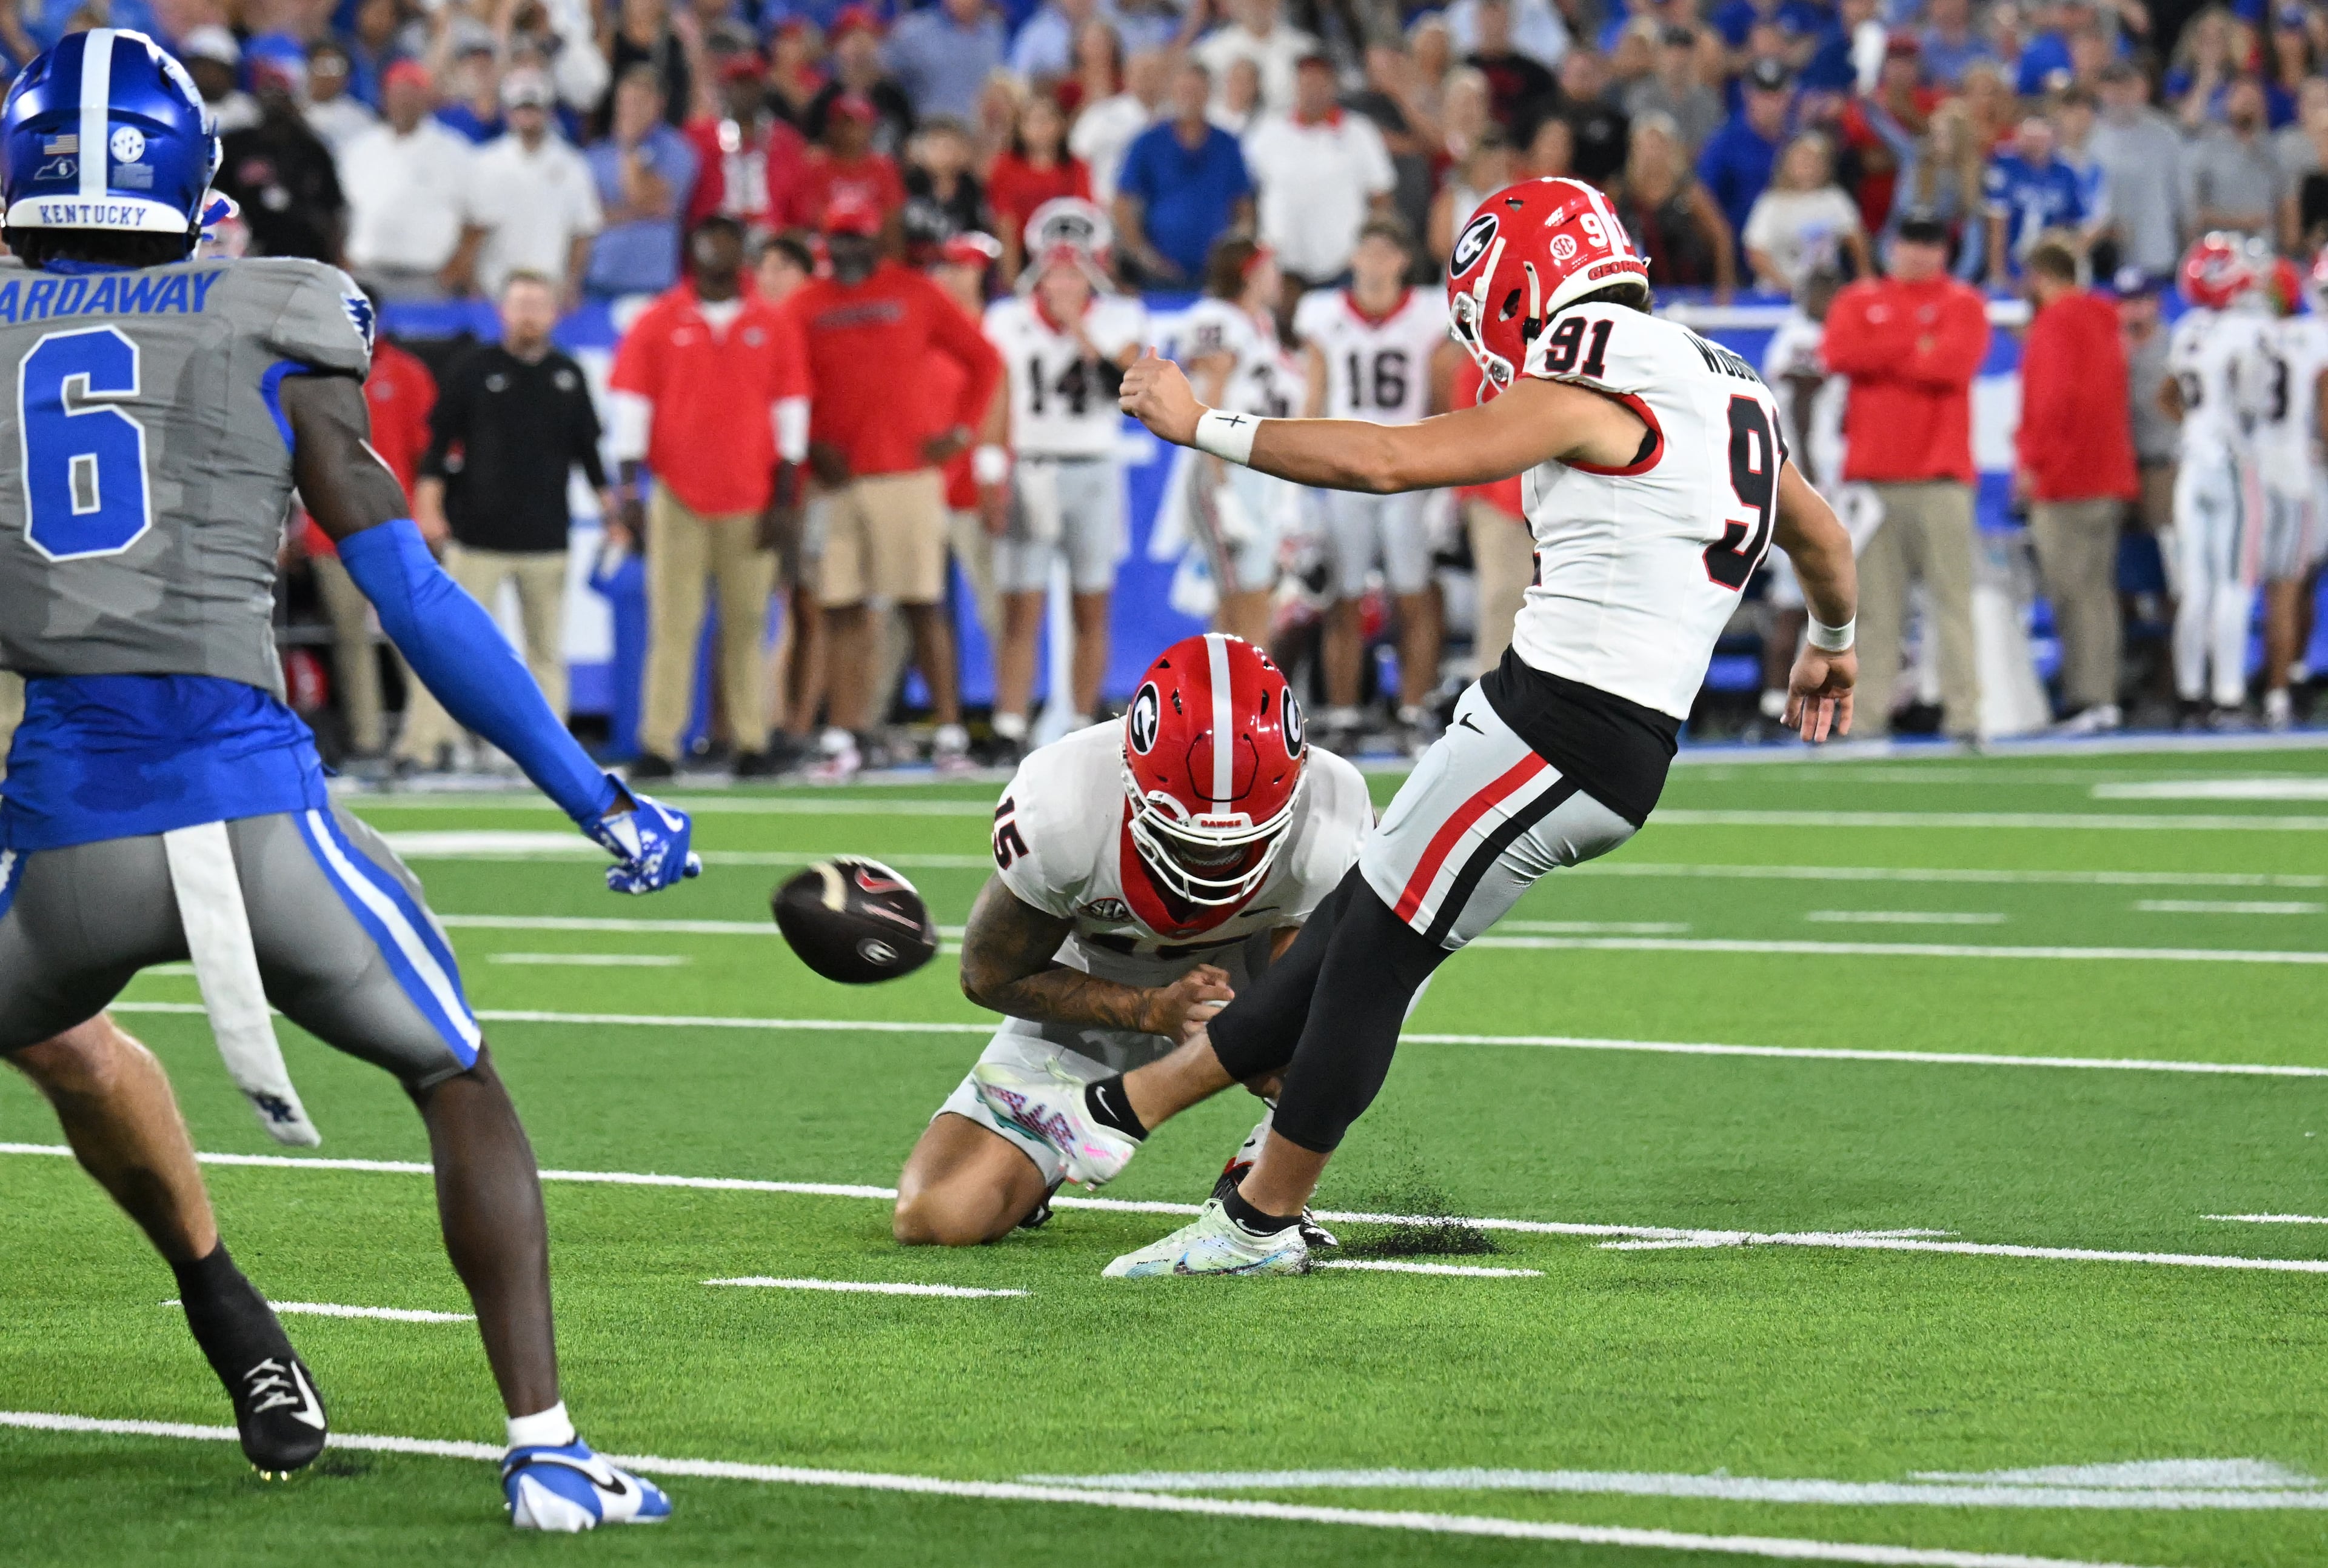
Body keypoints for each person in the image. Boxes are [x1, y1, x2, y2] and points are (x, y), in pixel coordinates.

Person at [0, 29, 695, 1522]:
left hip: (56, 832)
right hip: (255, 813)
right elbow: (412, 597)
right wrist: (601, 798)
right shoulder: (278, 312)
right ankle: (549, 1449)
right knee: (454, 1077)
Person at [972, 176, 1857, 1275]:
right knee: (1353, 927)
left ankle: (1257, 1218)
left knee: (1373, 960)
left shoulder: (1597, 360)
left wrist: (1202, 426)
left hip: (1564, 728)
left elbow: (1391, 462)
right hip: (1574, 724)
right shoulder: (1723, 381)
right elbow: (1815, 530)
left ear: (1522, 280)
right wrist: (1834, 634)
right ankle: (1125, 1112)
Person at [898, 632, 1373, 1245]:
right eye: (1192, 841)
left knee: (1373, 969)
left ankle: (1262, 1180)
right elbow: (990, 973)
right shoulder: (1063, 801)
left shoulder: (1331, 807)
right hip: (1103, 974)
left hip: (1252, 969)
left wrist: (1262, 1036)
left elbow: (1310, 986)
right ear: (1130, 773)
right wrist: (1149, 1009)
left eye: (1240, 839)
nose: (1218, 859)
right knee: (938, 1216)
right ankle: (1046, 1150)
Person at [787, 195, 1003, 781]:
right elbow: (788, 387)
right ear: (826, 243)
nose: (850, 248)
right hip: (837, 480)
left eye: (859, 236)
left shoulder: (913, 291)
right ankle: (845, 733)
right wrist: (808, 443)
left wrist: (958, 433)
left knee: (923, 602)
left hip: (906, 473)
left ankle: (951, 733)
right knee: (840, 607)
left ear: (876, 240)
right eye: (840, 237)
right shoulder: (805, 304)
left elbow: (984, 360)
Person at [608, 217, 810, 778]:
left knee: (748, 622)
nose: (716, 253)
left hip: (753, 493)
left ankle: (750, 738)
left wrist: (785, 496)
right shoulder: (657, 322)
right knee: (674, 622)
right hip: (677, 493)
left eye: (726, 244)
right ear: (692, 251)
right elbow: (631, 406)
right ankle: (659, 741)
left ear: (740, 254)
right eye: (707, 242)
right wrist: (630, 490)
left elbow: (790, 410)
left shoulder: (770, 325)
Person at [398, 273, 612, 772]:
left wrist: (611, 511)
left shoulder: (568, 373)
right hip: (477, 536)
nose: (530, 315)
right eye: (521, 304)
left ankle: (549, 751)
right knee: (449, 643)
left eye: (539, 304)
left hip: (546, 536)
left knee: (546, 652)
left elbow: (589, 453)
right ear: (502, 311)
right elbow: (437, 447)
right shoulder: (474, 368)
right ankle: (425, 744)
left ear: (556, 313)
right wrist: (428, 507)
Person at [1820, 212, 1990, 739]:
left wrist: (1885, 346)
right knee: (1873, 612)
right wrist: (1913, 339)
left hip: (1942, 480)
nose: (1918, 254)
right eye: (1909, 243)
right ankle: (1865, 719)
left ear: (1944, 252)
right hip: (1873, 481)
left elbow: (1952, 366)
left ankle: (1966, 716)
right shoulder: (1857, 301)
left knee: (1953, 606)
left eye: (1929, 244)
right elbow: (1840, 353)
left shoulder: (1964, 304)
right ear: (1893, 247)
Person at [1293, 221, 1457, 752]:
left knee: (1413, 597)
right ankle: (1343, 713)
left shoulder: (1428, 315)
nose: (1375, 261)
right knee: (1343, 596)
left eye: (1386, 251)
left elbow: (1442, 401)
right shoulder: (1325, 315)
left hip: (1406, 468)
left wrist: (1441, 481)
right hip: (1344, 469)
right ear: (1354, 256)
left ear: (1403, 261)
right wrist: (1300, 486)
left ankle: (1412, 710)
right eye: (1367, 250)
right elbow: (1313, 402)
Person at [982, 225, 1145, 756]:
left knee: (1090, 601)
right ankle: (1010, 722)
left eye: (1075, 271)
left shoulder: (1118, 318)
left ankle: (1081, 724)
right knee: (1021, 604)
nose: (1064, 282)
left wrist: (1080, 327)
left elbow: (1128, 385)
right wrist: (990, 470)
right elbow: (996, 394)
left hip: (1094, 468)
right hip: (1032, 467)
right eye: (1056, 270)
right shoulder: (1008, 319)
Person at [2015, 240, 2138, 732]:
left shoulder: (2055, 323)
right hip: (2109, 475)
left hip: (2065, 479)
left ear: (2041, 278)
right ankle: (2102, 695)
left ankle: (2087, 698)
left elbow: (2050, 399)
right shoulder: (2105, 319)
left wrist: (2033, 463)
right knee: (2098, 594)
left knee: (2072, 594)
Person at [307, 301, 436, 762]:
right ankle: (367, 741)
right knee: (350, 641)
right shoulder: (310, 376)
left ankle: (427, 740)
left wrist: (430, 513)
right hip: (330, 530)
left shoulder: (406, 374)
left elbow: (429, 453)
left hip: (393, 527)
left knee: (413, 636)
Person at [2162, 234, 2273, 726]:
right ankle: (2227, 691)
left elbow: (2169, 394)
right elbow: (2256, 403)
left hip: (2191, 460)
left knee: (2195, 587)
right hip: (2231, 461)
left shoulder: (2186, 329)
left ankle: (2189, 691)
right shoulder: (2251, 331)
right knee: (2234, 582)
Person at [1180, 235, 1307, 647]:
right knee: (1238, 598)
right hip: (1229, 469)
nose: (1277, 278)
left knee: (1259, 593)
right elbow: (1208, 403)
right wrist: (1220, 488)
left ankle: (1250, 698)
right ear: (1249, 274)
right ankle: (1232, 703)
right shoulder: (1219, 318)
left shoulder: (1262, 325)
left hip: (1261, 471)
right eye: (1269, 269)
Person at [1242, 53, 1398, 293]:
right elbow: (1246, 192)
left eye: (1320, 83)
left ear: (1333, 86)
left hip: (1344, 262)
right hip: (1282, 262)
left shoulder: (1359, 132)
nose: (1313, 90)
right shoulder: (1268, 132)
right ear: (1296, 86)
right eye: (1306, 83)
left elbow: (1381, 196)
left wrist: (1368, 249)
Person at [455, 68, 602, 307]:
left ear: (548, 111)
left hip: (550, 293)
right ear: (507, 112)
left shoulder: (573, 165)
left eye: (533, 107)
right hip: (494, 291)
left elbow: (583, 231)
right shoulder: (484, 163)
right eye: (520, 108)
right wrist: (472, 284)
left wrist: (573, 284)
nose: (527, 115)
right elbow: (470, 232)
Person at [339, 59, 475, 299]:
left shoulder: (454, 150)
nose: (404, 102)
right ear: (385, 98)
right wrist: (345, 263)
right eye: (397, 93)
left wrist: (454, 269)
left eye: (412, 94)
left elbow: (473, 217)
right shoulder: (360, 148)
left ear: (426, 98)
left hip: (427, 276)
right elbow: (342, 210)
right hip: (367, 272)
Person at [2260, 253, 2328, 729]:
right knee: (2294, 581)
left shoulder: (2289, 336)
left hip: (2287, 470)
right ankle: (2289, 683)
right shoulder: (2310, 338)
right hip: (2310, 473)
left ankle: (2287, 685)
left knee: (2292, 582)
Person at [1114, 60, 1253, 286]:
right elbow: (1123, 204)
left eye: (1197, 91)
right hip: (1159, 274)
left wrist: (1234, 256)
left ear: (1209, 94)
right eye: (1184, 90)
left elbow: (1244, 206)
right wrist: (1145, 256)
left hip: (1217, 275)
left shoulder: (1227, 144)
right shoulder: (1148, 142)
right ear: (1172, 93)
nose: (1190, 97)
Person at [216, 48, 345, 262]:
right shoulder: (234, 145)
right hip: (244, 259)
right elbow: (213, 203)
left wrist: (337, 261)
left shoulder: (312, 149)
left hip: (302, 259)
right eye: (267, 88)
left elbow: (332, 213)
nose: (272, 97)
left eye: (280, 89)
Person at [584, 65, 699, 298]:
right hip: (598, 282)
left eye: (639, 103)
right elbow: (588, 217)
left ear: (659, 104)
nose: (630, 111)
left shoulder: (677, 151)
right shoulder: (595, 155)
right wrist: (642, 212)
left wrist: (629, 147)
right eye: (625, 102)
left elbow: (653, 201)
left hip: (652, 284)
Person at [1743, 130, 1871, 290]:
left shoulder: (1834, 200)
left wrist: (1865, 275)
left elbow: (1855, 237)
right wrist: (1785, 286)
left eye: (1814, 160)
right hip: (1777, 293)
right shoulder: (1770, 203)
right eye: (1802, 160)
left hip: (1823, 294)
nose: (1807, 165)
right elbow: (1756, 251)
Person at [1982, 114, 2086, 286]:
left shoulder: (2066, 172)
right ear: (2018, 137)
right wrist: (1998, 274)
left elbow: (2077, 225)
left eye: (2040, 139)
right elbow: (1996, 224)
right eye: (2030, 139)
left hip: (2050, 263)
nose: (2035, 146)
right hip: (2011, 257)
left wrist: (2063, 275)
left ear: (2053, 138)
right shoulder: (2004, 164)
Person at [1699, 57, 1795, 244]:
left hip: (1792, 245)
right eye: (1762, 95)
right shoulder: (1725, 142)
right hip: (1741, 245)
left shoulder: (1798, 138)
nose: (1769, 104)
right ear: (1747, 95)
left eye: (1776, 96)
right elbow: (1704, 200)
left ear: (1788, 96)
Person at [888, 0, 1005, 122]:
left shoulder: (995, 32)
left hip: (978, 132)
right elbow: (881, 74)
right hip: (930, 128)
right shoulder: (913, 31)